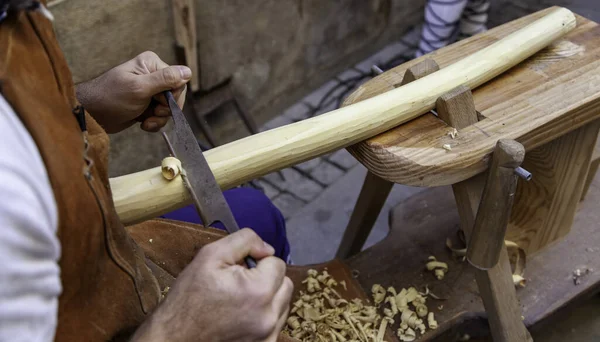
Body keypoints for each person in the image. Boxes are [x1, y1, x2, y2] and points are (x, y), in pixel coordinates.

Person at [0, 1, 293, 341]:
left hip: (95, 252)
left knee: (256, 212)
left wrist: (85, 105)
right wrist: (181, 329)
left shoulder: (14, 12)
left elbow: (20, 115)